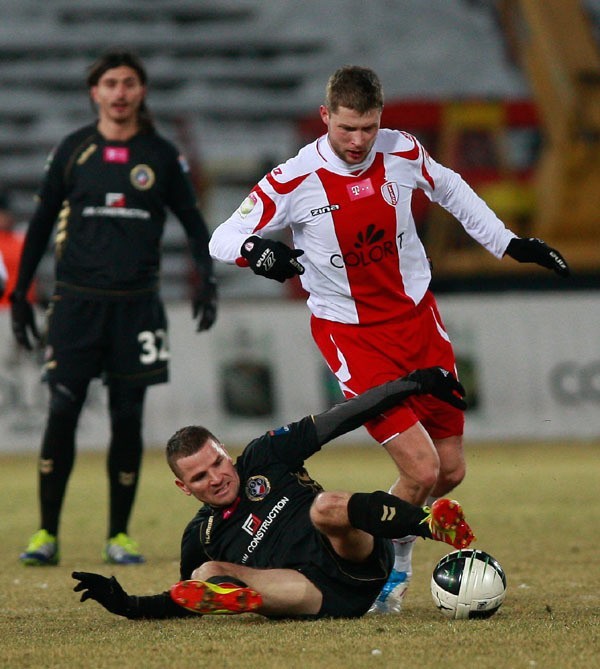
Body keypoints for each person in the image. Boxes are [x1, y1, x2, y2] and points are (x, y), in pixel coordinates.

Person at [208, 65, 570, 613]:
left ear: (382, 120)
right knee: (420, 470)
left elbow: (448, 186)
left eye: (368, 129)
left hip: (420, 323)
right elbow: (222, 237)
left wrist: (510, 243)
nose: (357, 142)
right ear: (326, 116)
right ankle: (388, 579)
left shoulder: (401, 151)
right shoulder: (295, 177)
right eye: (346, 129)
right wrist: (257, 252)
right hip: (352, 336)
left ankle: (366, 545)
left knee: (450, 470)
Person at [10, 48, 218, 567]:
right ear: (95, 93)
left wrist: (207, 279)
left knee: (128, 421)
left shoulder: (162, 155)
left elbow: (194, 223)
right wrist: (19, 292)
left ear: (141, 91)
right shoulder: (73, 150)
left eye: (129, 83)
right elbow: (38, 226)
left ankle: (119, 536)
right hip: (75, 305)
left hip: (138, 307)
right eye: (110, 84)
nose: (120, 92)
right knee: (62, 413)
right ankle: (45, 534)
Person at [72, 366, 474, 620]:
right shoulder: (202, 536)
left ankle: (427, 523)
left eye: (217, 463)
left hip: (357, 560)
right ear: (184, 488)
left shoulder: (265, 455)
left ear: (225, 453)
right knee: (206, 574)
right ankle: (243, 596)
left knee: (325, 507)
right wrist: (128, 604)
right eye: (199, 478)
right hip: (313, 597)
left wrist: (411, 384)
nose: (215, 478)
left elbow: (340, 418)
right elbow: (185, 599)